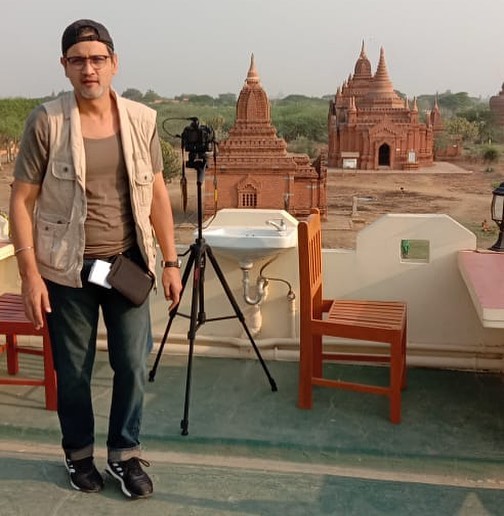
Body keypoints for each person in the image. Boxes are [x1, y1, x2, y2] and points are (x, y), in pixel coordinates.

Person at [9, 19, 182, 499]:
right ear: (65, 67)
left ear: (114, 63)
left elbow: (158, 195)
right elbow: (21, 199)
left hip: (125, 264)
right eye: (79, 60)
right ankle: (79, 454)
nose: (90, 68)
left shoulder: (141, 120)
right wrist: (29, 275)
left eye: (98, 58)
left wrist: (170, 261)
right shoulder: (48, 121)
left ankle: (125, 454)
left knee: (131, 361)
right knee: (74, 368)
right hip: (66, 269)